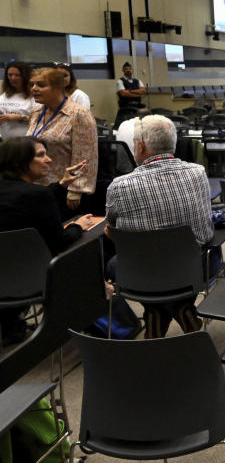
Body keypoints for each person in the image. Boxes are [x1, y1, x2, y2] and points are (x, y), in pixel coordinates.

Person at [105, 115, 212, 338]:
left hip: (139, 273)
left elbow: (111, 227)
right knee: (182, 259)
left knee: (118, 262)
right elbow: (204, 230)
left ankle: (155, 311)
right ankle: (181, 309)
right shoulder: (198, 173)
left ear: (141, 145)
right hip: (192, 268)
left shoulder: (120, 185)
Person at [0, 137, 95, 346]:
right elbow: (60, 243)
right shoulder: (38, 195)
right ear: (19, 162)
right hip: (37, 280)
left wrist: (61, 185)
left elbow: (21, 201)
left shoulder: (29, 193)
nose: (49, 160)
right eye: (41, 155)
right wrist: (77, 226)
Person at [26, 68, 97, 214]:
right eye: (32, 84)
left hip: (65, 190)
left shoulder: (78, 114)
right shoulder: (36, 112)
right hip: (38, 187)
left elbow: (86, 156)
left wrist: (76, 189)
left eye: (40, 85)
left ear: (57, 87)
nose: (34, 89)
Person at [0, 62, 35, 140]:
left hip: (28, 142)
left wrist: (19, 117)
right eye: (10, 75)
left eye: (17, 75)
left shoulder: (34, 96)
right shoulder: (3, 97)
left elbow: (42, 121)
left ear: (25, 77)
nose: (13, 78)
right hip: (7, 142)